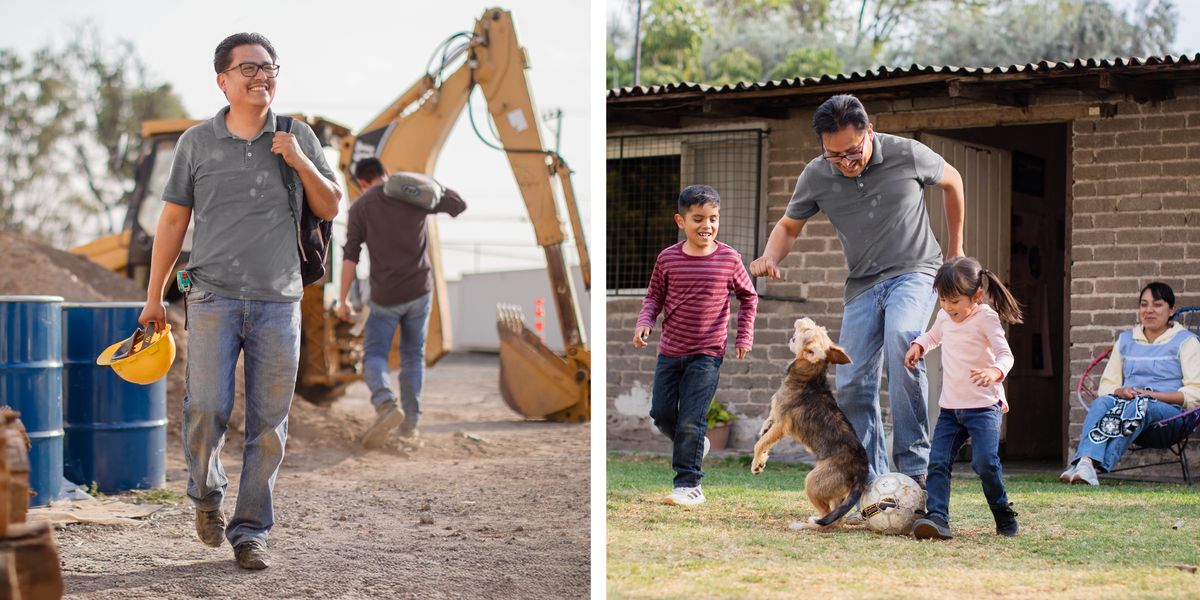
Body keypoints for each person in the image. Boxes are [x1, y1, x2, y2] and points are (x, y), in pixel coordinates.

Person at [138, 33, 342, 570]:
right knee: (205, 408)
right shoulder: (196, 143)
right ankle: (206, 495)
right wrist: (154, 297)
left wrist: (300, 161)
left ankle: (251, 531)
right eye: (249, 67)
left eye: (269, 68)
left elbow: (330, 205)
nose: (262, 76)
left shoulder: (298, 136)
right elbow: (173, 221)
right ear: (222, 80)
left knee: (269, 424)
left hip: (280, 301)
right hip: (211, 297)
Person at [749, 93, 966, 493]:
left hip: (916, 271)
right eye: (835, 156)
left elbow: (953, 182)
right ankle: (872, 479)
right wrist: (769, 255)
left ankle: (916, 470)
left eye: (853, 151)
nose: (846, 163)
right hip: (863, 284)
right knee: (850, 381)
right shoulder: (816, 174)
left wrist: (955, 251)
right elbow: (789, 226)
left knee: (904, 341)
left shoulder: (907, 153)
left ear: (870, 131)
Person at [633, 184, 758, 507]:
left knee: (691, 417)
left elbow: (748, 297)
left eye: (713, 218)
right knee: (661, 413)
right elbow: (654, 297)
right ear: (681, 221)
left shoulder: (729, 259)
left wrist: (744, 336)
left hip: (708, 353)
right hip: (670, 351)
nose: (707, 225)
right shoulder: (668, 259)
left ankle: (689, 485)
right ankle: (694, 444)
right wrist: (644, 322)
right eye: (698, 218)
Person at [337, 161, 467, 448]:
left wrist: (343, 299)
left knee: (374, 355)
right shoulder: (412, 194)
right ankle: (410, 423)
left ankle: (385, 404)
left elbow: (350, 257)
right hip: (420, 290)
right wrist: (429, 185)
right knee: (412, 356)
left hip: (385, 297)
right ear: (384, 172)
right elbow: (458, 204)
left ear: (360, 182)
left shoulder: (360, 208)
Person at [903, 257, 1023, 540]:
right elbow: (934, 335)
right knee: (937, 462)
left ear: (977, 296)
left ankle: (1002, 511)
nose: (947, 307)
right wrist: (919, 345)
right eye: (943, 300)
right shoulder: (945, 316)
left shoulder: (986, 318)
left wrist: (995, 371)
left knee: (984, 463)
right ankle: (938, 518)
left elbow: (1006, 355)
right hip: (950, 409)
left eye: (954, 301)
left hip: (983, 407)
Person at [1060, 282, 1200, 486]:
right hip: (1129, 410)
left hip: (1171, 418)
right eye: (1144, 304)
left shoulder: (1186, 342)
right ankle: (1086, 462)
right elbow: (1107, 387)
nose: (1149, 310)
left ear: (1171, 310)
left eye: (1157, 304)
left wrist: (1150, 396)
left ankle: (1095, 464)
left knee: (1139, 404)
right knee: (1102, 403)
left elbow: (1195, 392)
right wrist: (1121, 390)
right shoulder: (1126, 340)